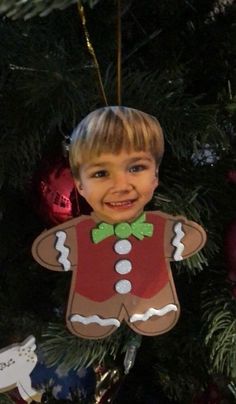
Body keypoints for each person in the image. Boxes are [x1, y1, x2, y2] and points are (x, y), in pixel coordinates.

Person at [32, 106, 206, 340]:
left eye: (136, 168)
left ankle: (154, 310)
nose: (121, 185)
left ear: (155, 177)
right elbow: (55, 247)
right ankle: (92, 316)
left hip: (152, 297)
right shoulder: (83, 231)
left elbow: (183, 237)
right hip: (93, 298)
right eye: (101, 173)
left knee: (155, 303)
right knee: (91, 308)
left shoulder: (157, 227)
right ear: (80, 185)